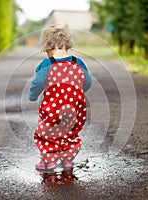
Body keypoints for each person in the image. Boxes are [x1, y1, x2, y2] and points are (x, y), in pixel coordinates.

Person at [29, 25, 92, 170]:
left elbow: (38, 82)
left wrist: (32, 96)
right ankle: (67, 160)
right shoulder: (77, 62)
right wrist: (78, 91)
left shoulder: (47, 64)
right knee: (70, 132)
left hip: (53, 108)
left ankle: (50, 161)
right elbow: (87, 82)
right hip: (75, 108)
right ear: (66, 45)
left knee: (48, 132)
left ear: (48, 47)